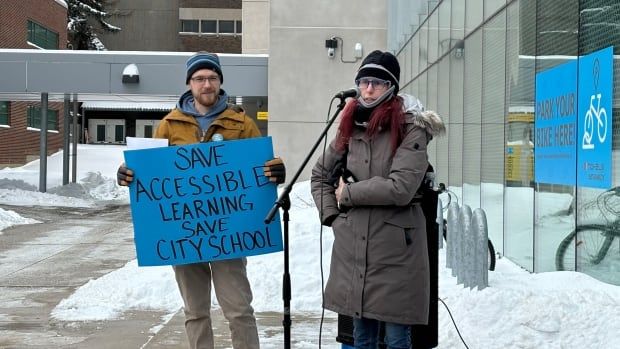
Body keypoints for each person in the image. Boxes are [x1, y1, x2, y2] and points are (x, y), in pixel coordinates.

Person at [116, 52, 285, 349]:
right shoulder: (169, 125)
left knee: (240, 311)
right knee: (195, 312)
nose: (206, 84)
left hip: (229, 234)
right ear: (189, 83)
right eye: (200, 79)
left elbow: (260, 169)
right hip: (184, 235)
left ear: (220, 82)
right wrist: (130, 175)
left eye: (212, 78)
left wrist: (274, 170)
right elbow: (153, 175)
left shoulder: (241, 123)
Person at [310, 50, 443, 349]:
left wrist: (349, 193)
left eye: (377, 83)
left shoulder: (412, 127)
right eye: (364, 82)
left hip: (397, 250)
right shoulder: (349, 124)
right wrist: (333, 217)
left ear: (392, 87)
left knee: (396, 338)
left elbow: (401, 187)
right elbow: (319, 176)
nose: (368, 89)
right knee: (360, 336)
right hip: (354, 246)